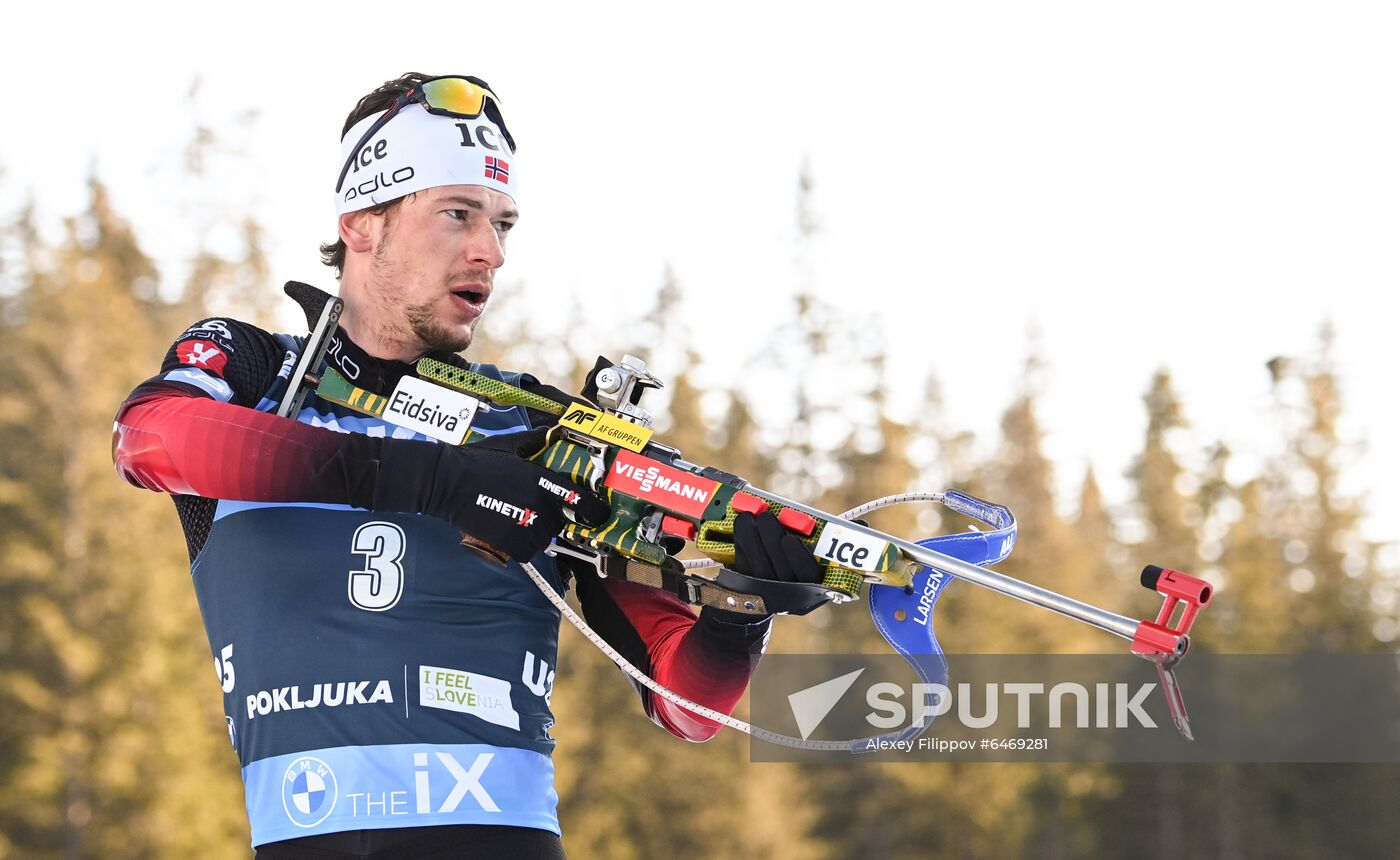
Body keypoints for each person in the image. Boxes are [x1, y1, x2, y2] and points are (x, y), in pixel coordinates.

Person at [112, 73, 821, 858]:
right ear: (362, 223)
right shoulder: (256, 371)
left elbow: (686, 706)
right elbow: (149, 441)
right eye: (456, 214)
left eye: (503, 224)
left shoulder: (540, 429)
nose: (490, 250)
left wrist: (739, 614)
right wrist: (437, 483)